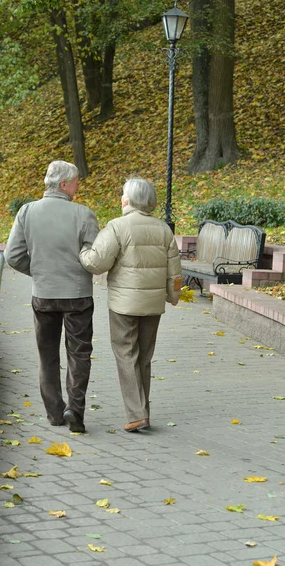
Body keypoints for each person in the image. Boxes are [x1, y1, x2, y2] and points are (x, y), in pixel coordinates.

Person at [80, 178, 182, 432]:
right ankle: (143, 410)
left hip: (123, 305)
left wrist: (83, 252)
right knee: (144, 357)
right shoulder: (163, 229)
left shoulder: (117, 227)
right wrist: (173, 296)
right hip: (153, 304)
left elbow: (97, 263)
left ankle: (137, 414)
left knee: (126, 354)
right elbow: (175, 270)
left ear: (127, 200)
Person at [4, 160, 99, 433]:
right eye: (76, 182)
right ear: (64, 184)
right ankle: (75, 409)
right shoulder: (84, 215)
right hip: (78, 296)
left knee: (47, 356)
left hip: (43, 295)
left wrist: (39, 273)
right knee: (79, 353)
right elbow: (95, 257)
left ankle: (55, 414)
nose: (78, 187)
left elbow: (12, 256)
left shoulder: (26, 212)